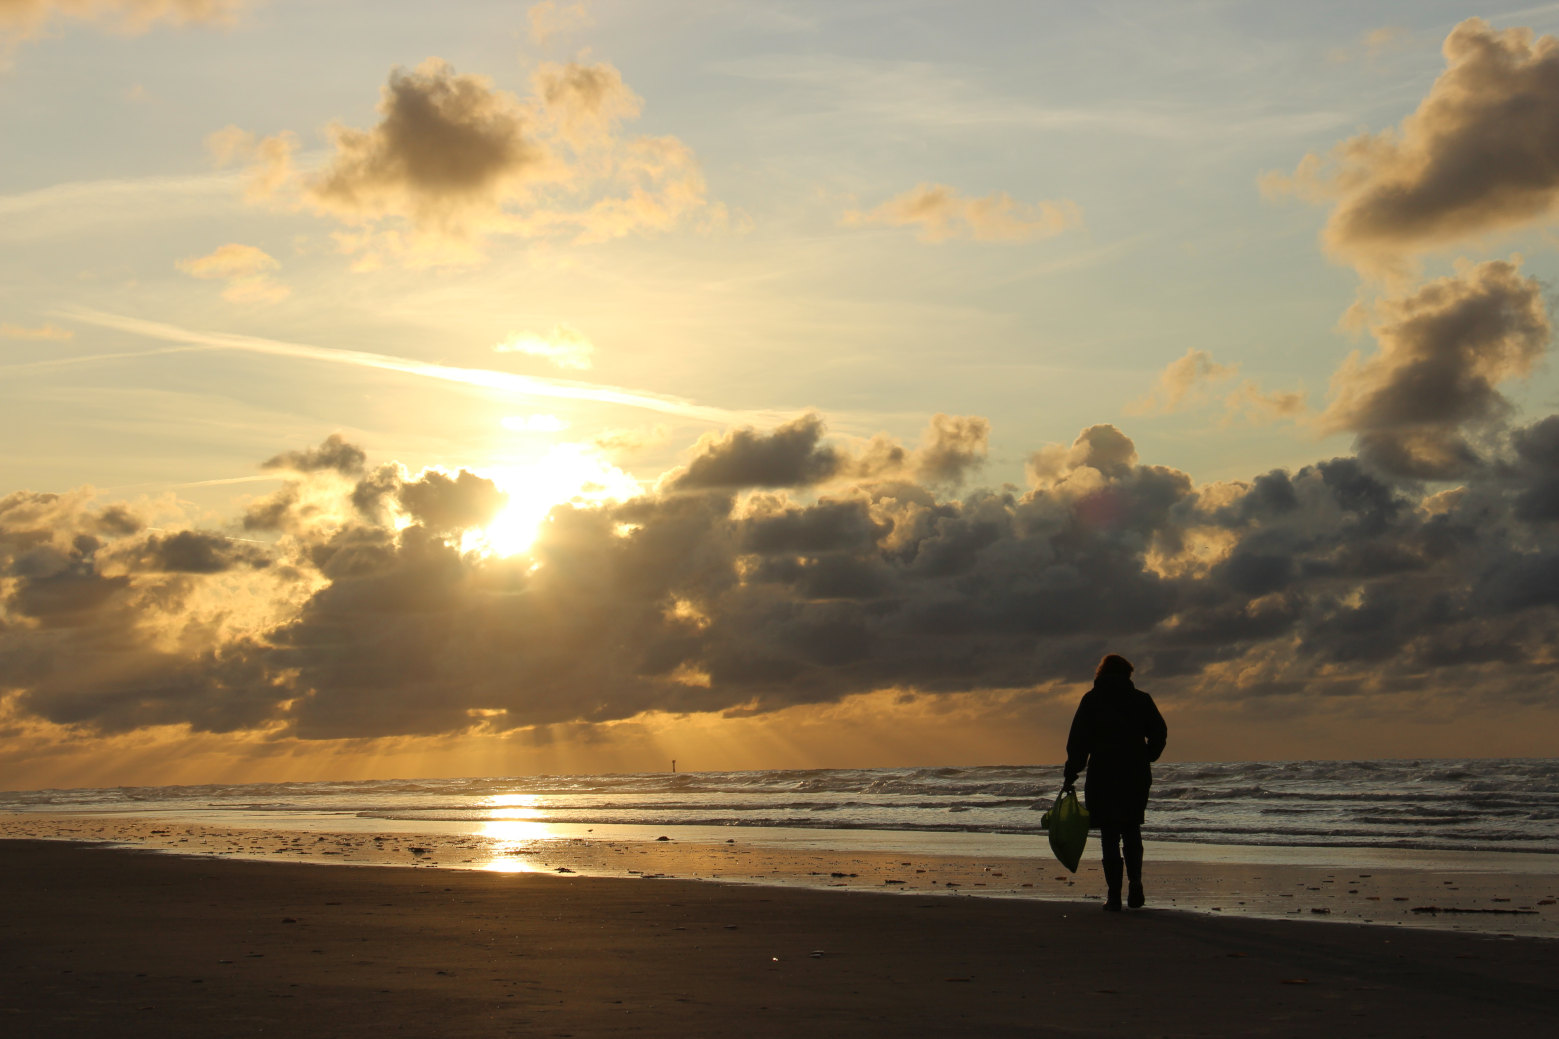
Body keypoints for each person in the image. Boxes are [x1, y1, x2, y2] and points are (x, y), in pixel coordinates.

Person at [1062, 654, 1167, 911]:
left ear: (1101, 673)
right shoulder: (1141, 699)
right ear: (1127, 675)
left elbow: (1078, 741)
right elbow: (1159, 732)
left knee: (1109, 834)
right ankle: (1136, 883)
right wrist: (1148, 754)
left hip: (1103, 772)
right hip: (1135, 772)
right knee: (1131, 827)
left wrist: (1071, 773)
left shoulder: (1092, 700)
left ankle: (1113, 895)